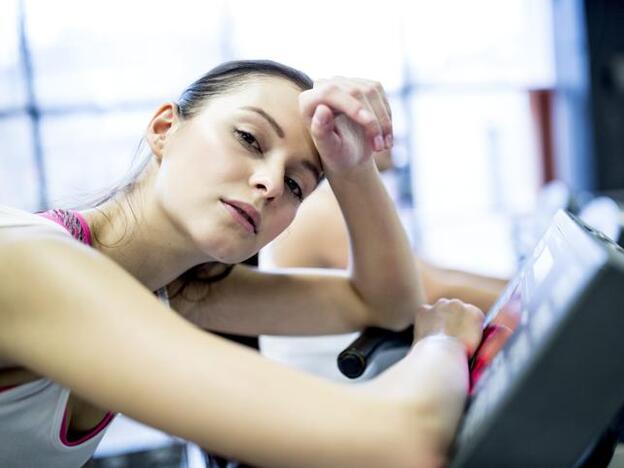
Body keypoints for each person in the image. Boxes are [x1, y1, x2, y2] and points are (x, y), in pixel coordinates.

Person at [0, 60, 484, 468]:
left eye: (298, 185)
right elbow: (403, 440)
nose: (272, 183)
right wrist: (441, 342)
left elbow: (386, 304)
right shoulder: (30, 264)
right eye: (250, 139)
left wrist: (352, 167)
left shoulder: (172, 293)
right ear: (164, 129)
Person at [268, 149, 507, 312]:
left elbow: (434, 272)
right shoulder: (321, 211)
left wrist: (520, 284)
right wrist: (532, 302)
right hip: (342, 382)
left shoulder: (339, 203)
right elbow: (432, 292)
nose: (389, 137)